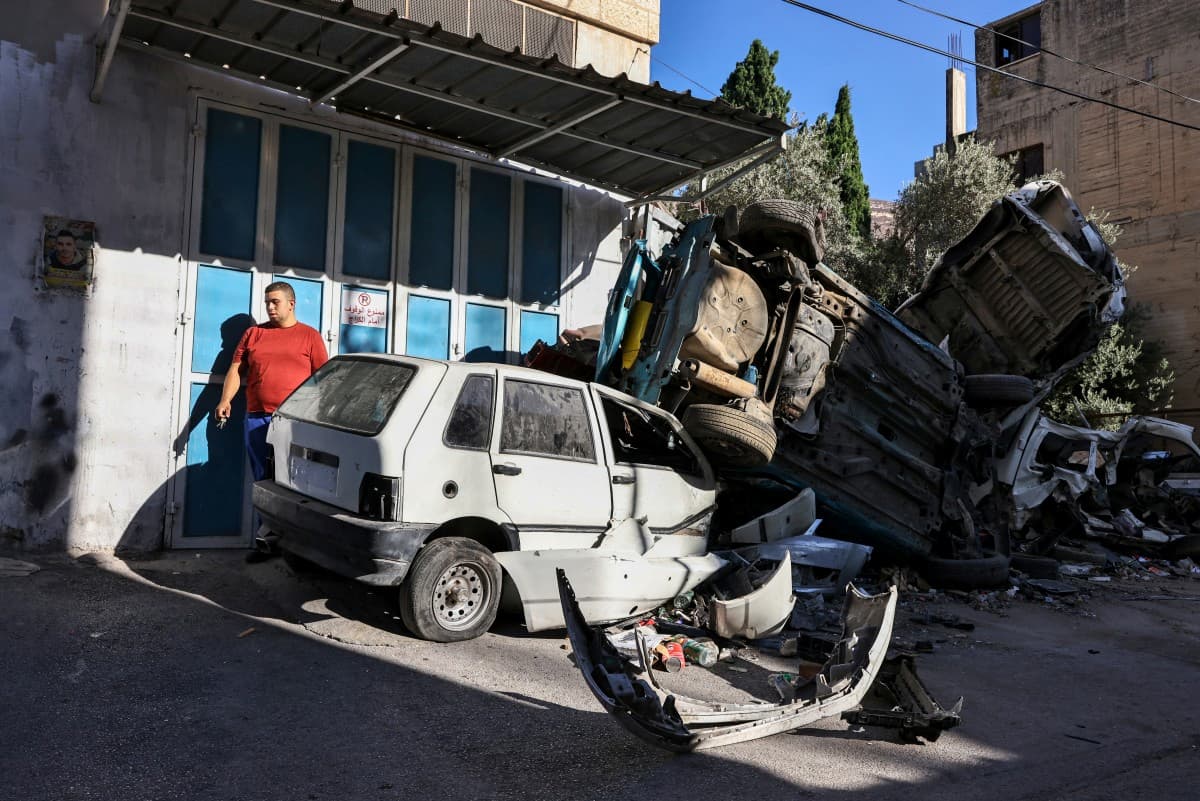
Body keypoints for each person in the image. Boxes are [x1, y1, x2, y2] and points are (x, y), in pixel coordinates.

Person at [215, 281, 328, 561]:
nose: (270, 307)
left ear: (292, 304)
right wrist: (225, 400)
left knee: (296, 483)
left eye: (275, 302)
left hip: (295, 423)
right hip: (257, 418)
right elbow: (235, 371)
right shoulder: (253, 334)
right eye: (267, 302)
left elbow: (323, 382)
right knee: (263, 482)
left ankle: (301, 548)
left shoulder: (309, 337)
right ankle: (265, 542)